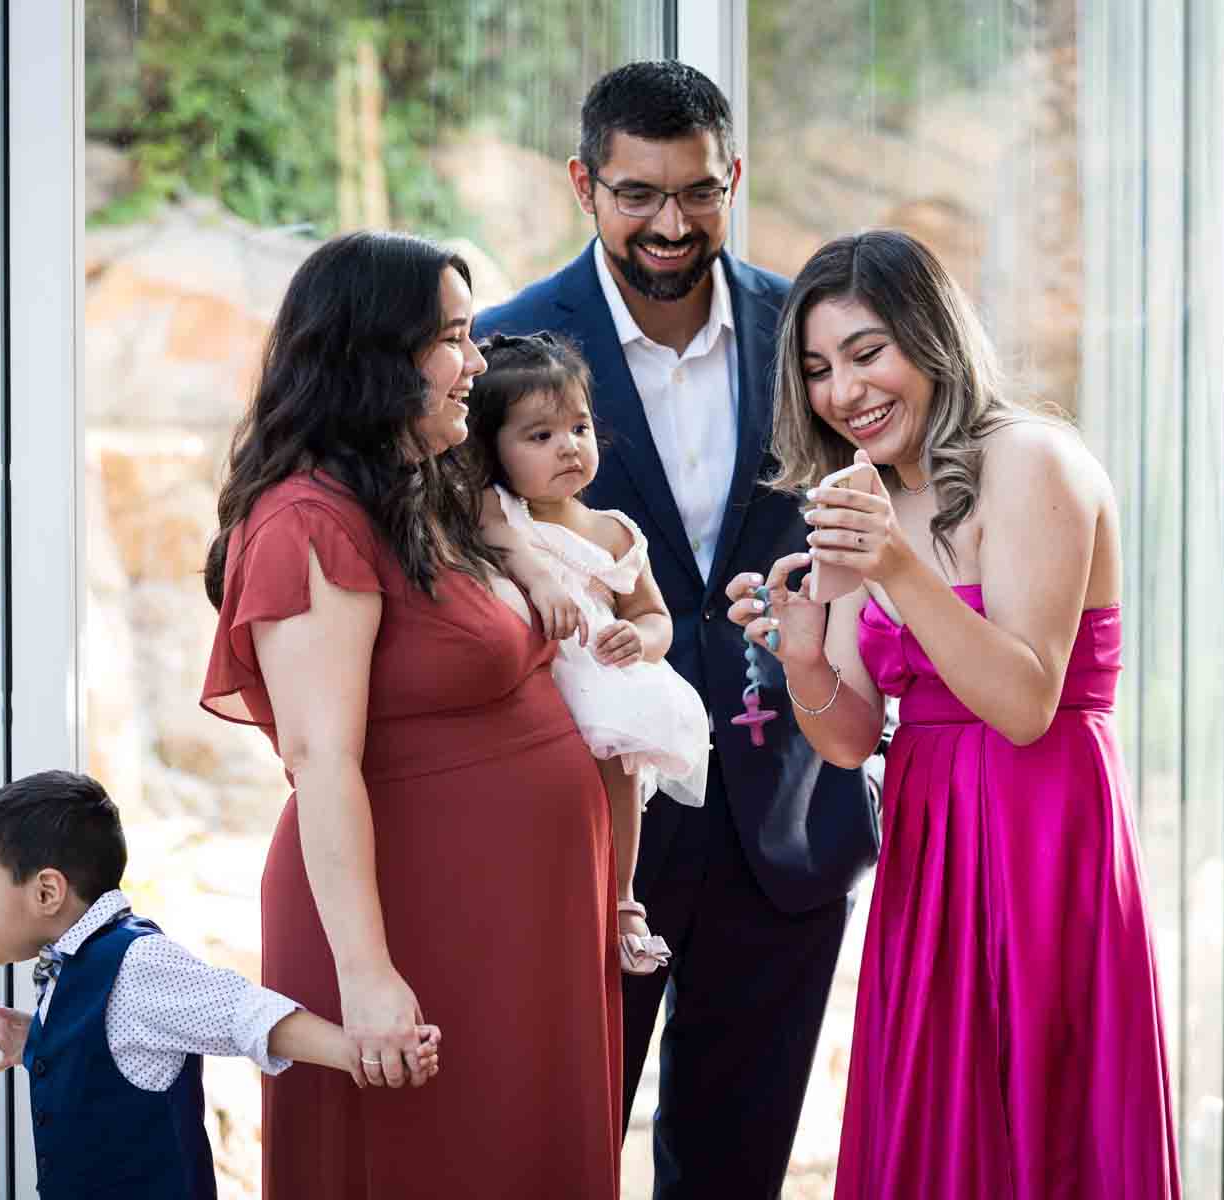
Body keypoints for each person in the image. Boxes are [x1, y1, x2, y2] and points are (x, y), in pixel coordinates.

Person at [475, 61, 875, 1196]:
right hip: (594, 827)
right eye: (637, 193)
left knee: (736, 1166)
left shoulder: (809, 333)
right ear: (583, 187)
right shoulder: (506, 348)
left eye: (697, 192)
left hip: (783, 816)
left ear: (733, 178)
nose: (669, 222)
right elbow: (458, 534)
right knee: (557, 1150)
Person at [728, 229, 1179, 1198]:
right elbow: (847, 741)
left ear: (929, 339)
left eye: (866, 352)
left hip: (1044, 839)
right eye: (817, 369)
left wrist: (894, 566)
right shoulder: (865, 493)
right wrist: (802, 650)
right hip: (931, 854)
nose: (844, 391)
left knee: (1045, 1125)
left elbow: (1023, 703)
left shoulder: (1033, 460)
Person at [199, 230, 622, 1198]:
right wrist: (368, 975)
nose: (480, 362)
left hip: (517, 920)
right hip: (413, 921)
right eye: (457, 339)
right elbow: (319, 757)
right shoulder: (310, 521)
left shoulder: (429, 491)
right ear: (376, 357)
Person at [0, 769, 439, 1200]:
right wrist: (40, 1043)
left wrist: (360, 1052)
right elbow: (110, 1052)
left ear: (47, 892)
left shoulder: (136, 966)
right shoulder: (74, 969)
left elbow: (242, 1014)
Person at [467, 330, 712, 975]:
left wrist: (643, 642)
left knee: (621, 766)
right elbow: (500, 541)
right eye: (539, 436)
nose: (568, 447)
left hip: (600, 671)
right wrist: (544, 581)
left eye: (578, 427)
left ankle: (624, 896)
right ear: (494, 448)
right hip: (542, 681)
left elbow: (654, 615)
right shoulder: (499, 509)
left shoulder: (613, 531)